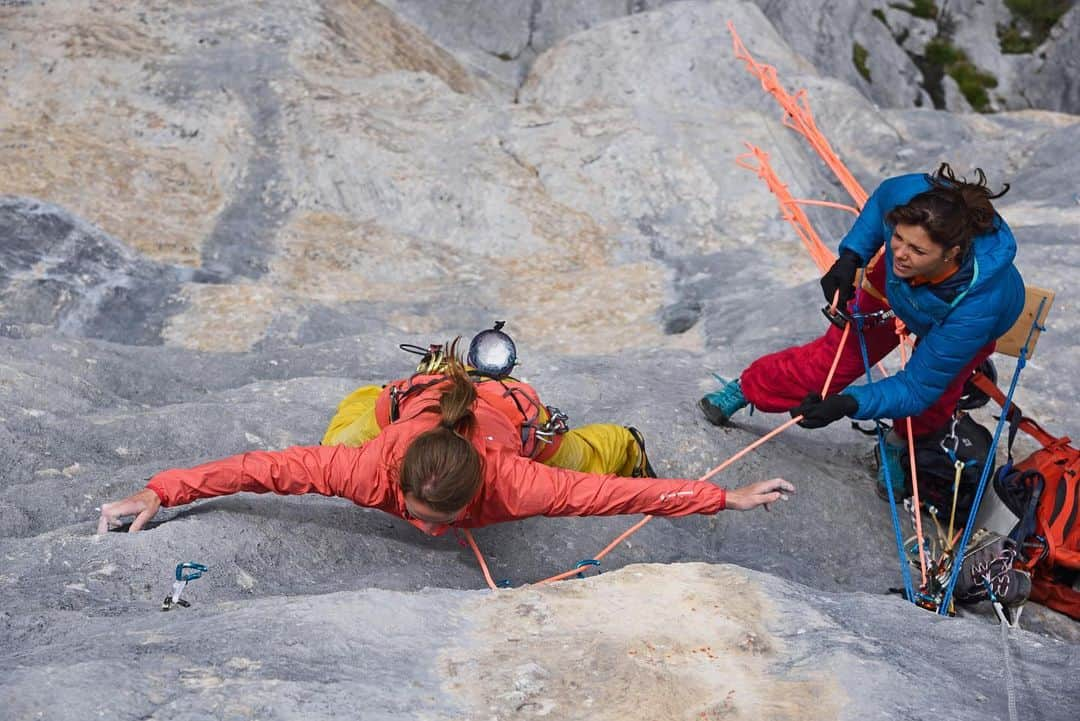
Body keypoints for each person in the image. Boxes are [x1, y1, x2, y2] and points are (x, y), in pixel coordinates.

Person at [99, 342, 794, 537]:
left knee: (597, 450)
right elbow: (261, 468)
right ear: (395, 484)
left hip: (506, 419)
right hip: (397, 412)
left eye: (445, 520)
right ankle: (385, 399)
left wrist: (721, 498)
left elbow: (613, 493)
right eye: (422, 516)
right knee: (345, 421)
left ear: (480, 490)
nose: (432, 533)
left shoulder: (517, 479)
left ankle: (627, 434)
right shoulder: (364, 468)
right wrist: (161, 489)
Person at [699, 163, 1025, 496]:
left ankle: (898, 443)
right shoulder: (914, 199)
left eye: (917, 249)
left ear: (952, 254)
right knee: (828, 364)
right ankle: (749, 387)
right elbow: (883, 200)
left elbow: (916, 388)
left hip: (955, 316)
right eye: (897, 237)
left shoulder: (979, 307)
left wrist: (848, 403)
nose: (899, 252)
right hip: (900, 288)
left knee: (935, 397)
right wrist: (852, 256)